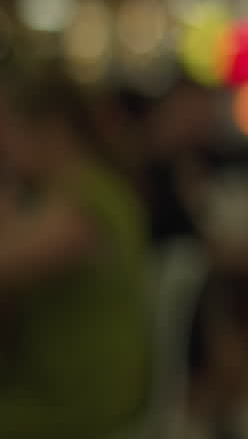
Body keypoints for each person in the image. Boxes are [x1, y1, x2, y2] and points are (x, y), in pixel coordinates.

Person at [0, 61, 152, 436]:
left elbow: (10, 264)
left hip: (83, 395)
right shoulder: (69, 191)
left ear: (51, 130)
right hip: (58, 382)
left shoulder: (85, 202)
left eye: (10, 129)